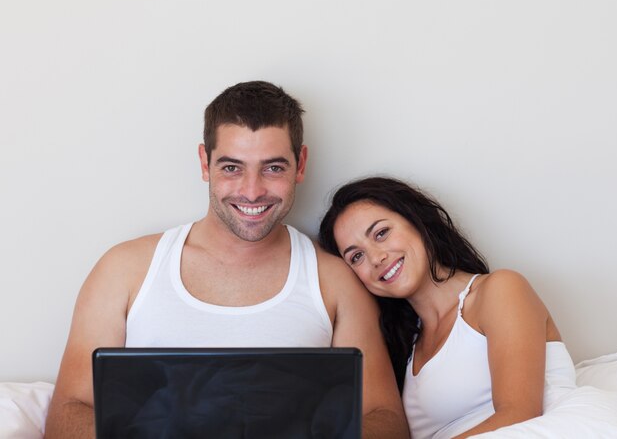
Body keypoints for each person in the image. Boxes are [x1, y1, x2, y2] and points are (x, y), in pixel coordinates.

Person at [44, 82, 409, 438]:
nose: (252, 191)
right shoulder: (123, 270)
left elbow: (385, 418)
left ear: (300, 165)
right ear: (205, 163)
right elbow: (67, 412)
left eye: (273, 168)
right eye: (232, 167)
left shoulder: (335, 280)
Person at [318, 177, 578, 439]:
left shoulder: (500, 290)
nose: (376, 258)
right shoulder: (405, 348)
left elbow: (519, 414)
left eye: (382, 233)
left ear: (417, 221)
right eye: (356, 256)